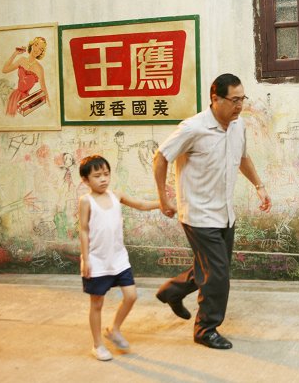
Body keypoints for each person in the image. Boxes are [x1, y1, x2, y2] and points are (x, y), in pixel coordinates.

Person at [153, 73, 272, 349]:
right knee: (217, 274)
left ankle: (172, 291)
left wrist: (259, 186)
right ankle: (205, 329)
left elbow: (242, 157)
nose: (239, 105)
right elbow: (160, 157)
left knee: (211, 268)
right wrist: (163, 198)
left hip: (225, 212)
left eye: (242, 99)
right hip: (197, 213)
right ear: (215, 98)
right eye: (234, 100)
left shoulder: (237, 125)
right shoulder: (193, 128)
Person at [78, 155, 160, 361]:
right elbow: (83, 230)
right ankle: (98, 345)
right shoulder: (86, 201)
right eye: (97, 176)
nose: (103, 179)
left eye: (106, 174)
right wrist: (86, 259)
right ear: (85, 180)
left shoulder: (117, 196)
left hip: (119, 258)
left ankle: (114, 329)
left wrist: (163, 204)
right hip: (96, 261)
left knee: (131, 296)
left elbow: (141, 204)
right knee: (97, 304)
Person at [1, 36, 49, 116]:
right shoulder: (22, 60)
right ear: (32, 45)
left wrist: (50, 108)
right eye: (36, 45)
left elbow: (44, 90)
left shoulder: (39, 68)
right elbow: (4, 70)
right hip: (14, 97)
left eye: (41, 49)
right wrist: (15, 53)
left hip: (25, 101)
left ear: (41, 53)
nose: (37, 50)